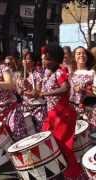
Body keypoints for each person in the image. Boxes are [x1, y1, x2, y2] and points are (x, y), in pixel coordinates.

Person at [40, 44, 87, 180]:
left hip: (63, 116)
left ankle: (75, 175)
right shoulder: (48, 74)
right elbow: (40, 93)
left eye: (48, 59)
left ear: (56, 59)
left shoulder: (60, 72)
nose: (45, 61)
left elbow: (65, 88)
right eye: (44, 59)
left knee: (65, 147)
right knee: (49, 144)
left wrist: (45, 93)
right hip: (52, 115)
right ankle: (60, 174)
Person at [16, 52, 47, 132]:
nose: (26, 61)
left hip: (38, 108)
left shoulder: (38, 74)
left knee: (42, 131)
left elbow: (37, 93)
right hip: (26, 109)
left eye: (28, 59)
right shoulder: (20, 75)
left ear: (33, 62)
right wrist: (21, 89)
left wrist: (28, 87)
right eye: (24, 59)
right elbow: (19, 92)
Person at [69, 46, 96, 129]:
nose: (81, 55)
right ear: (74, 57)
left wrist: (83, 90)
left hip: (90, 110)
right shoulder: (70, 75)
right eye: (78, 53)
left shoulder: (92, 73)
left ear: (87, 56)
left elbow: (95, 93)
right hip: (74, 111)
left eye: (83, 53)